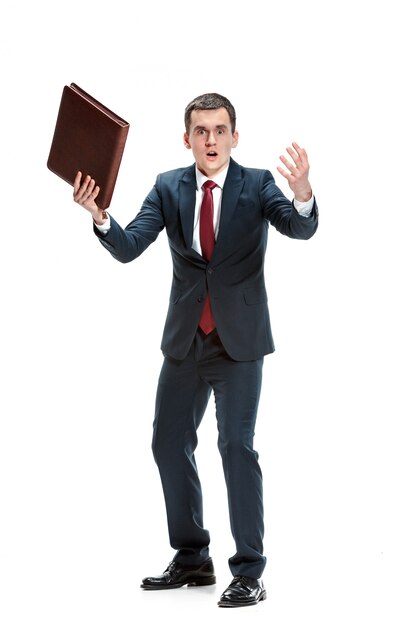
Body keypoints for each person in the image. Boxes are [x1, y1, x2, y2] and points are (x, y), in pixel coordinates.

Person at [73, 92, 318, 608]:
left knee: (235, 446)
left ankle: (249, 569)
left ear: (235, 136)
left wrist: (303, 194)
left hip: (240, 343)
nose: (211, 140)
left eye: (220, 130)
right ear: (187, 139)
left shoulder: (257, 185)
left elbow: (300, 226)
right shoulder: (169, 187)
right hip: (186, 340)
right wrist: (100, 215)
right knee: (167, 443)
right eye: (201, 131)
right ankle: (192, 558)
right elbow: (130, 245)